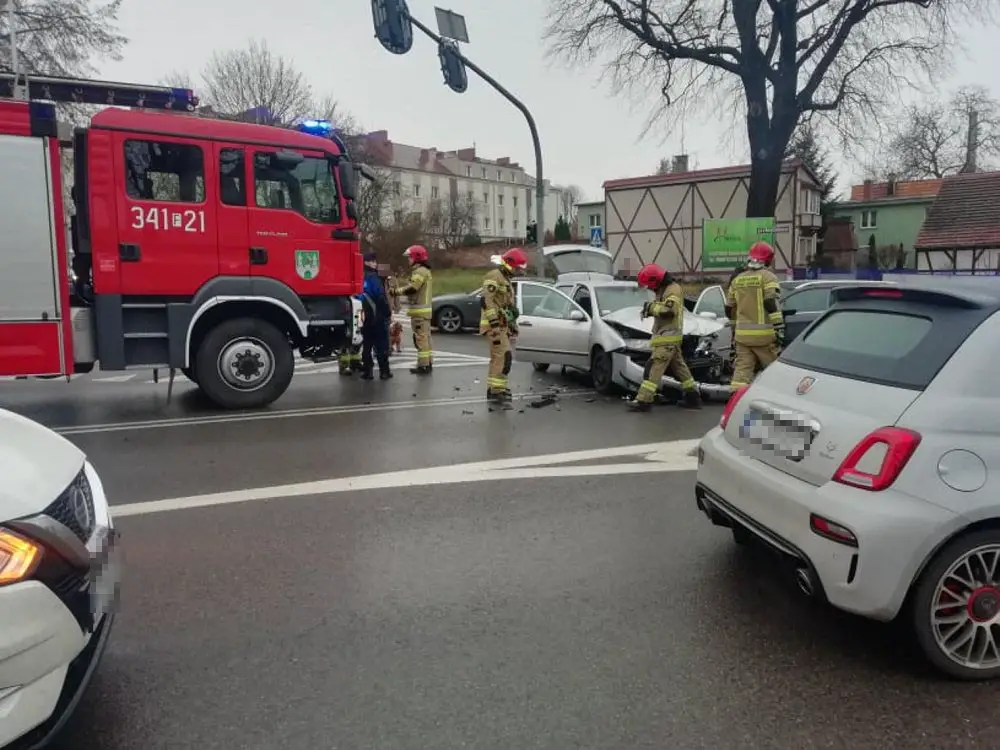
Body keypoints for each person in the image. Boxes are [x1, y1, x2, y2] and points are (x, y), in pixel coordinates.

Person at [628, 263, 702, 411]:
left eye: (650, 285)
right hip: (667, 338)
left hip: (668, 338)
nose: (649, 288)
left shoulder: (672, 290)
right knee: (680, 368)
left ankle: (644, 400)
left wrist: (651, 308)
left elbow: (669, 311)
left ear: (656, 280)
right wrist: (650, 308)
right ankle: (693, 396)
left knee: (654, 367)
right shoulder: (664, 290)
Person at [725, 241, 784, 390]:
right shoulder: (768, 277)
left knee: (741, 375)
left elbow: (728, 307)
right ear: (768, 259)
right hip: (763, 337)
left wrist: (734, 327)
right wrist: (779, 327)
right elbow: (771, 302)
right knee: (774, 372)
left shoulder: (737, 279)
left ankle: (735, 401)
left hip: (742, 337)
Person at [480, 247, 527, 408]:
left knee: (498, 358)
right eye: (517, 268)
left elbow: (506, 306)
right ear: (510, 264)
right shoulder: (495, 276)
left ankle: (496, 389)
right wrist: (494, 323)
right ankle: (496, 391)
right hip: (494, 326)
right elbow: (487, 301)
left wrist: (512, 325)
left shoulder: (505, 279)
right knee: (504, 356)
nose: (519, 271)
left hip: (502, 326)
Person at [390, 245, 434, 375]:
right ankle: (428, 363)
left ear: (416, 257)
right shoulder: (424, 271)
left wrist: (395, 292)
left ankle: (423, 366)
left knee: (420, 340)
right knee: (425, 339)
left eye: (409, 257)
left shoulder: (419, 272)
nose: (408, 260)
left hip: (419, 312)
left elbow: (413, 288)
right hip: (423, 312)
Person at [356, 252, 393, 380]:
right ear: (366, 262)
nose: (375, 263)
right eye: (373, 261)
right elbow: (381, 296)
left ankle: (368, 371)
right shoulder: (373, 277)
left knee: (367, 344)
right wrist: (387, 312)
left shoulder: (358, 276)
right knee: (381, 344)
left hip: (364, 316)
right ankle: (384, 371)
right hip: (377, 316)